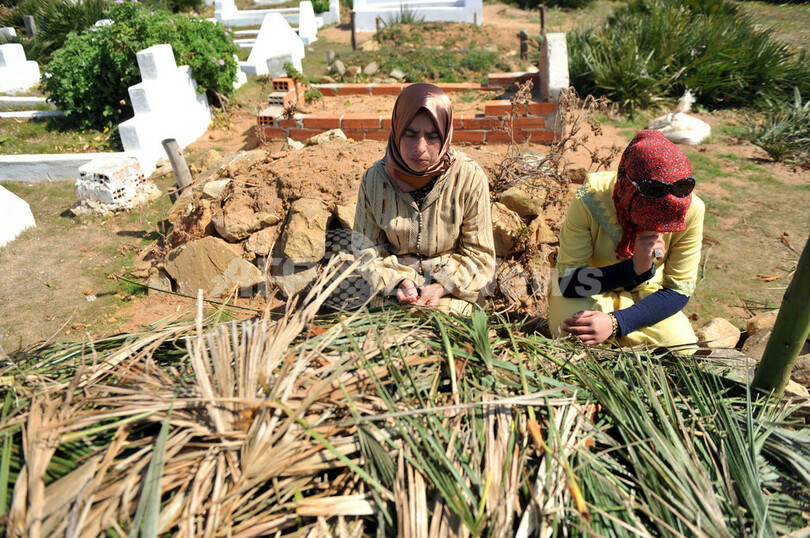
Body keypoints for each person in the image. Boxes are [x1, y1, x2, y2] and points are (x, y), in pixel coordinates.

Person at [547, 129, 704, 349]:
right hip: (584, 287)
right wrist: (635, 268)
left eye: (664, 224)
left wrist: (616, 323)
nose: (654, 229)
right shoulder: (589, 200)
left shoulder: (692, 210)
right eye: (645, 219)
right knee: (570, 334)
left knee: (682, 346)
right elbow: (567, 283)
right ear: (625, 188)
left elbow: (678, 292)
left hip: (647, 294)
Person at [350, 83, 496, 314]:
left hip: (452, 293)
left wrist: (441, 286)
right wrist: (399, 282)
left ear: (446, 133)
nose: (420, 148)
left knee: (444, 335)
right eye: (410, 134)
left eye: (432, 136)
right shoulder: (374, 180)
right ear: (397, 129)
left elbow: (480, 257)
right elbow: (366, 251)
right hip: (393, 292)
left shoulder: (469, 178)